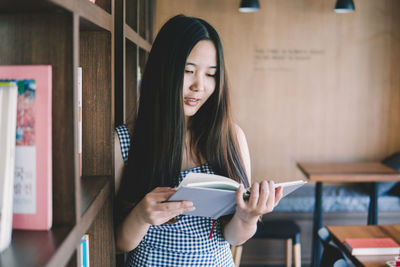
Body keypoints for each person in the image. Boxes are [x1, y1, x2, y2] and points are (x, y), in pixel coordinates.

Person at [115, 14, 283, 266]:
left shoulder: (231, 138)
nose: (199, 86)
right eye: (189, 71)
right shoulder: (125, 141)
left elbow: (233, 237)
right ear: (164, 71)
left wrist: (248, 217)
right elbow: (118, 244)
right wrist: (140, 216)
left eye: (211, 74)